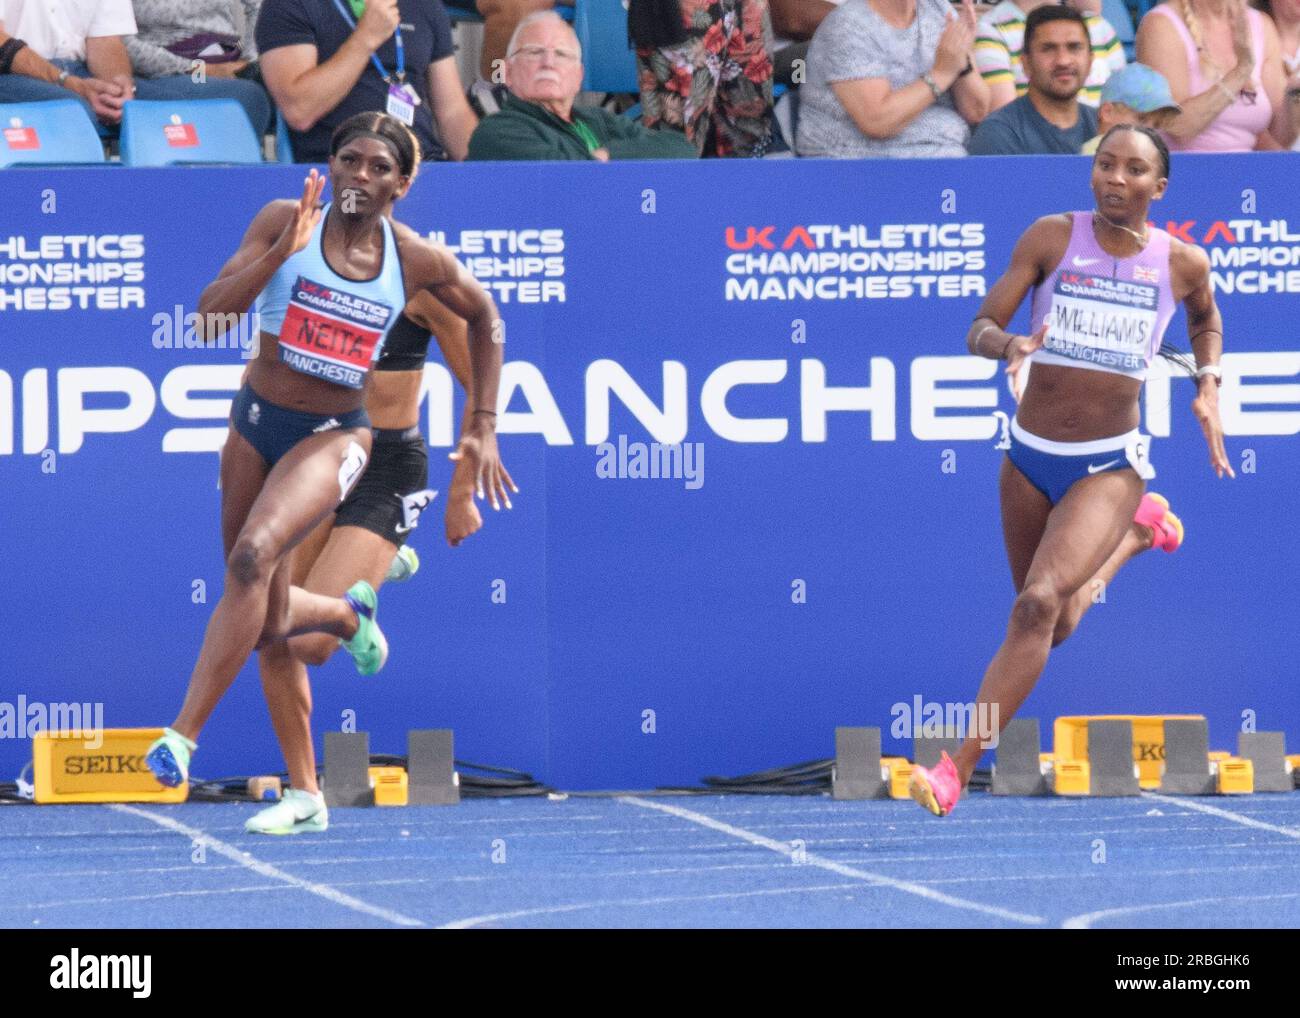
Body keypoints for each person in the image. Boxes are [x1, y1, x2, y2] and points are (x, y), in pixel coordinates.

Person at [145, 111, 510, 790]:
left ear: (402, 184)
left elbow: (486, 318)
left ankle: (181, 737)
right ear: (330, 164)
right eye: (348, 160)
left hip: (341, 436)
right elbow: (207, 320)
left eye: (378, 167)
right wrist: (279, 253)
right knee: (262, 611)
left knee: (256, 557)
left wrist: (482, 425)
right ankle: (347, 615)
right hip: (256, 426)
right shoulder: (283, 218)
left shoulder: (414, 261)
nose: (359, 176)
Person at [908, 124, 1234, 817]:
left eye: (1134, 169)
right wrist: (1010, 342)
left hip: (1109, 464)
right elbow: (978, 326)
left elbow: (1206, 319)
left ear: (1159, 187)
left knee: (1035, 605)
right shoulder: (1051, 238)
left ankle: (957, 768)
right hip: (1028, 459)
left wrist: (1207, 381)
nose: (1116, 178)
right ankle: (1137, 539)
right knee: (1049, 626)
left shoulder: (1181, 263)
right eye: (1105, 164)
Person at [244, 287, 507, 834]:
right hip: (316, 454)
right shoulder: (302, 277)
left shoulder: (420, 277)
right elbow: (265, 376)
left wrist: (461, 491)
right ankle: (306, 795)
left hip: (385, 469)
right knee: (267, 624)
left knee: (311, 646)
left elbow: (478, 390)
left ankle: (354, 600)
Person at [256, 0, 479, 163]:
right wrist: (366, 38)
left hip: (422, 166)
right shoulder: (288, 5)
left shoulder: (425, 6)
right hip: (345, 173)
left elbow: (452, 112)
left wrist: (486, 167)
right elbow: (299, 109)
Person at [467, 11, 698, 161]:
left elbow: (681, 150)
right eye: (534, 52)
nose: (548, 62)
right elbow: (567, 176)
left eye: (561, 54)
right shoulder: (495, 131)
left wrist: (608, 154)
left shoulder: (599, 120)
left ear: (578, 76)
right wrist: (619, 157)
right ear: (507, 72)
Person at [795, 0, 990, 158]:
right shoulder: (848, 25)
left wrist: (960, 60)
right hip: (859, 173)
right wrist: (941, 74)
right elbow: (877, 121)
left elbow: (977, 110)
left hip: (946, 165)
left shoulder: (940, 11)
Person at [1136, 0, 1298, 151]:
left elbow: (1280, 136)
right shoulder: (1161, 25)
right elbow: (1177, 128)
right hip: (1184, 170)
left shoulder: (1261, 25)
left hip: (1246, 174)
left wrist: (1294, 93)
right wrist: (1241, 72)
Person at [629, 0, 777, 157]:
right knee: (676, 144)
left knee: (751, 133)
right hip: (682, 11)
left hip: (746, 6)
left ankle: (744, 179)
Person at [124, 0, 273, 135]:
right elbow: (119, 43)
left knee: (284, 85)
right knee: (246, 95)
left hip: (229, 59)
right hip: (170, 70)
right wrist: (201, 69)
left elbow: (262, 7)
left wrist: (249, 60)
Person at [969, 5, 1099, 155]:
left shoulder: (1105, 127)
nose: (1063, 60)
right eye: (1048, 49)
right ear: (1026, 63)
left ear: (1090, 61)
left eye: (1074, 47)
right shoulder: (998, 133)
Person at [0, 0, 138, 128]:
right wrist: (69, 83)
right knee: (76, 112)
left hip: (76, 71)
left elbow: (105, 39)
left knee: (149, 106)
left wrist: (118, 87)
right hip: (12, 70)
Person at [975, 0, 1125, 110]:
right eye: (1047, 49)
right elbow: (1005, 117)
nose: (1064, 60)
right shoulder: (991, 29)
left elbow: (1123, 107)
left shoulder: (1099, 26)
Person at [1081, 62, 1181, 153]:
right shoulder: (1095, 153)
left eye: (1157, 125)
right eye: (1142, 119)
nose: (1151, 131)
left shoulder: (1154, 156)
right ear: (1107, 112)